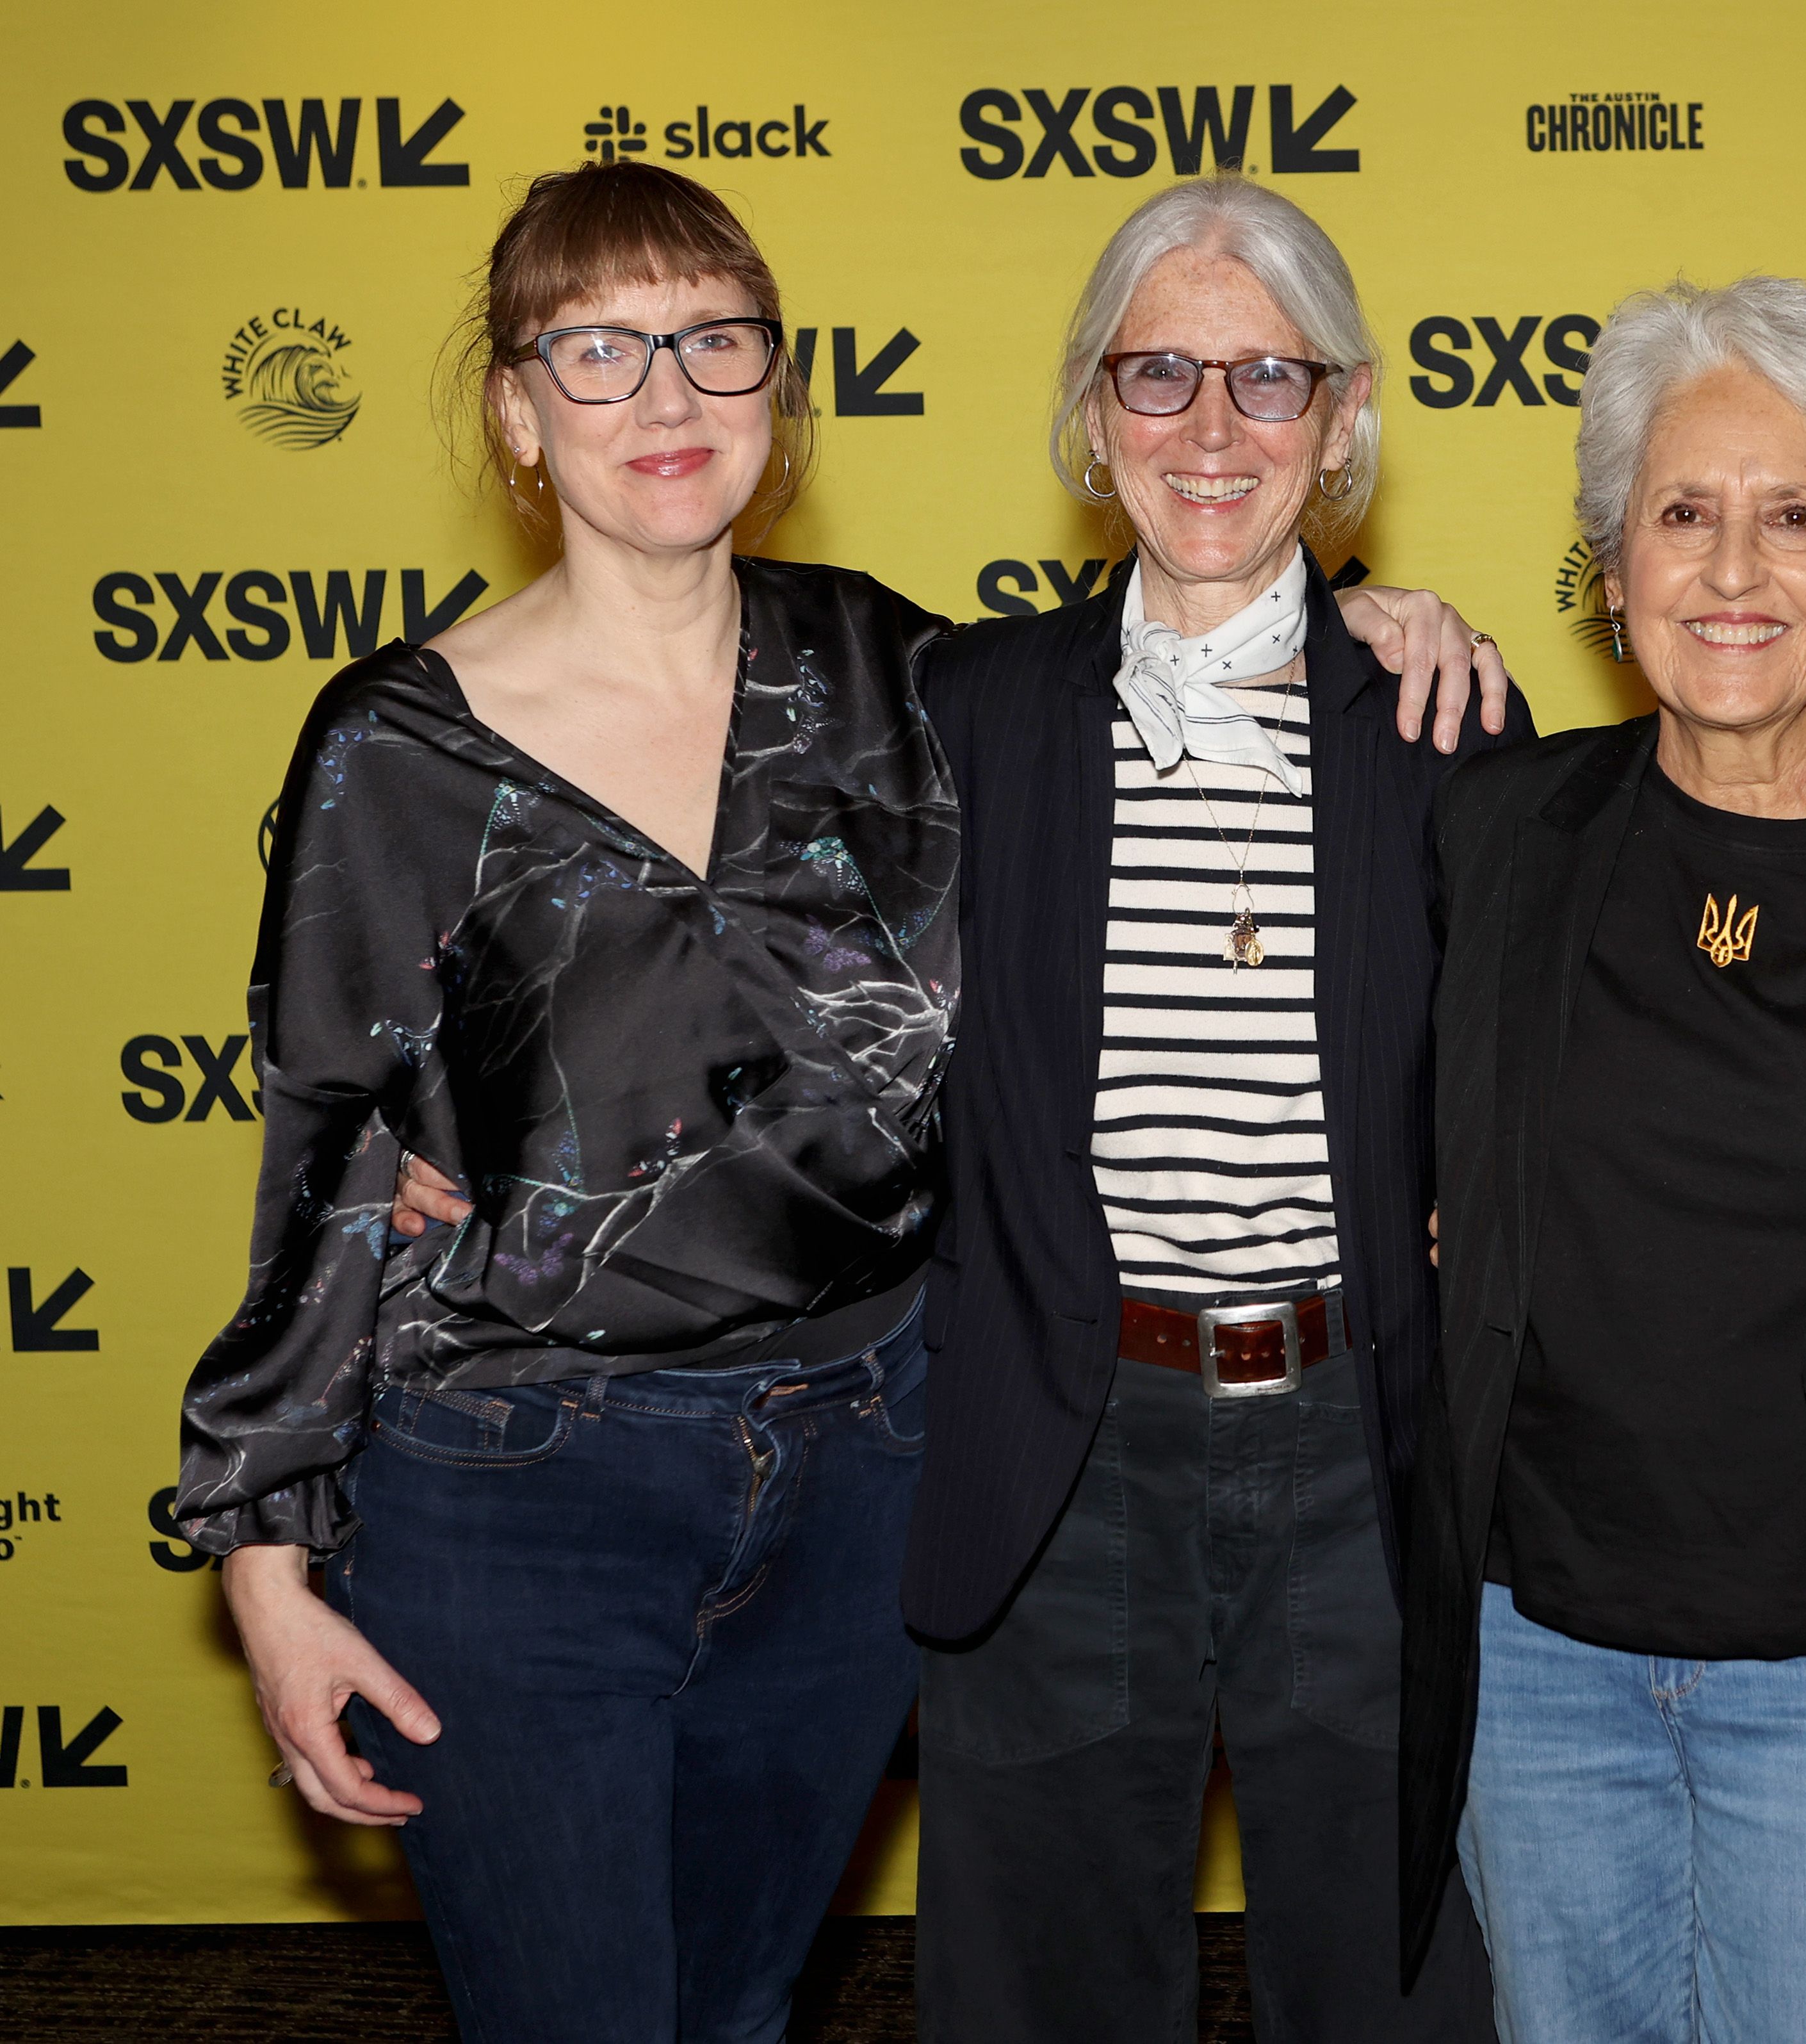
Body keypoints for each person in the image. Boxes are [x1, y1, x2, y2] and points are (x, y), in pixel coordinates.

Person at [199, 159, 1502, 2044]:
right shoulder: (417, 745)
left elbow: (1219, 666)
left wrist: (1393, 622)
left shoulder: (895, 677)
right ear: (513, 404)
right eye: (601, 348)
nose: (665, 397)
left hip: (863, 1460)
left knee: (739, 2008)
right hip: (555, 1483)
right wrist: (265, 1555)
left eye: (714, 345)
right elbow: (327, 1159)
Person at [899, 174, 1524, 2041]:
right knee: (1048, 1996)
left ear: (1342, 425)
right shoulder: (962, 715)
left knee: (1397, 1989)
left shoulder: (1448, 732)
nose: (1209, 427)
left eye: (1268, 379)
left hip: (1359, 1453)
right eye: (1156, 373)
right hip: (1058, 1442)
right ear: (1091, 416)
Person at [1399, 277, 1806, 2044]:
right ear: (1610, 561)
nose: (1731, 569)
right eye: (1681, 513)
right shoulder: (1501, 827)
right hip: (1536, 1661)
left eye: (1792, 515)